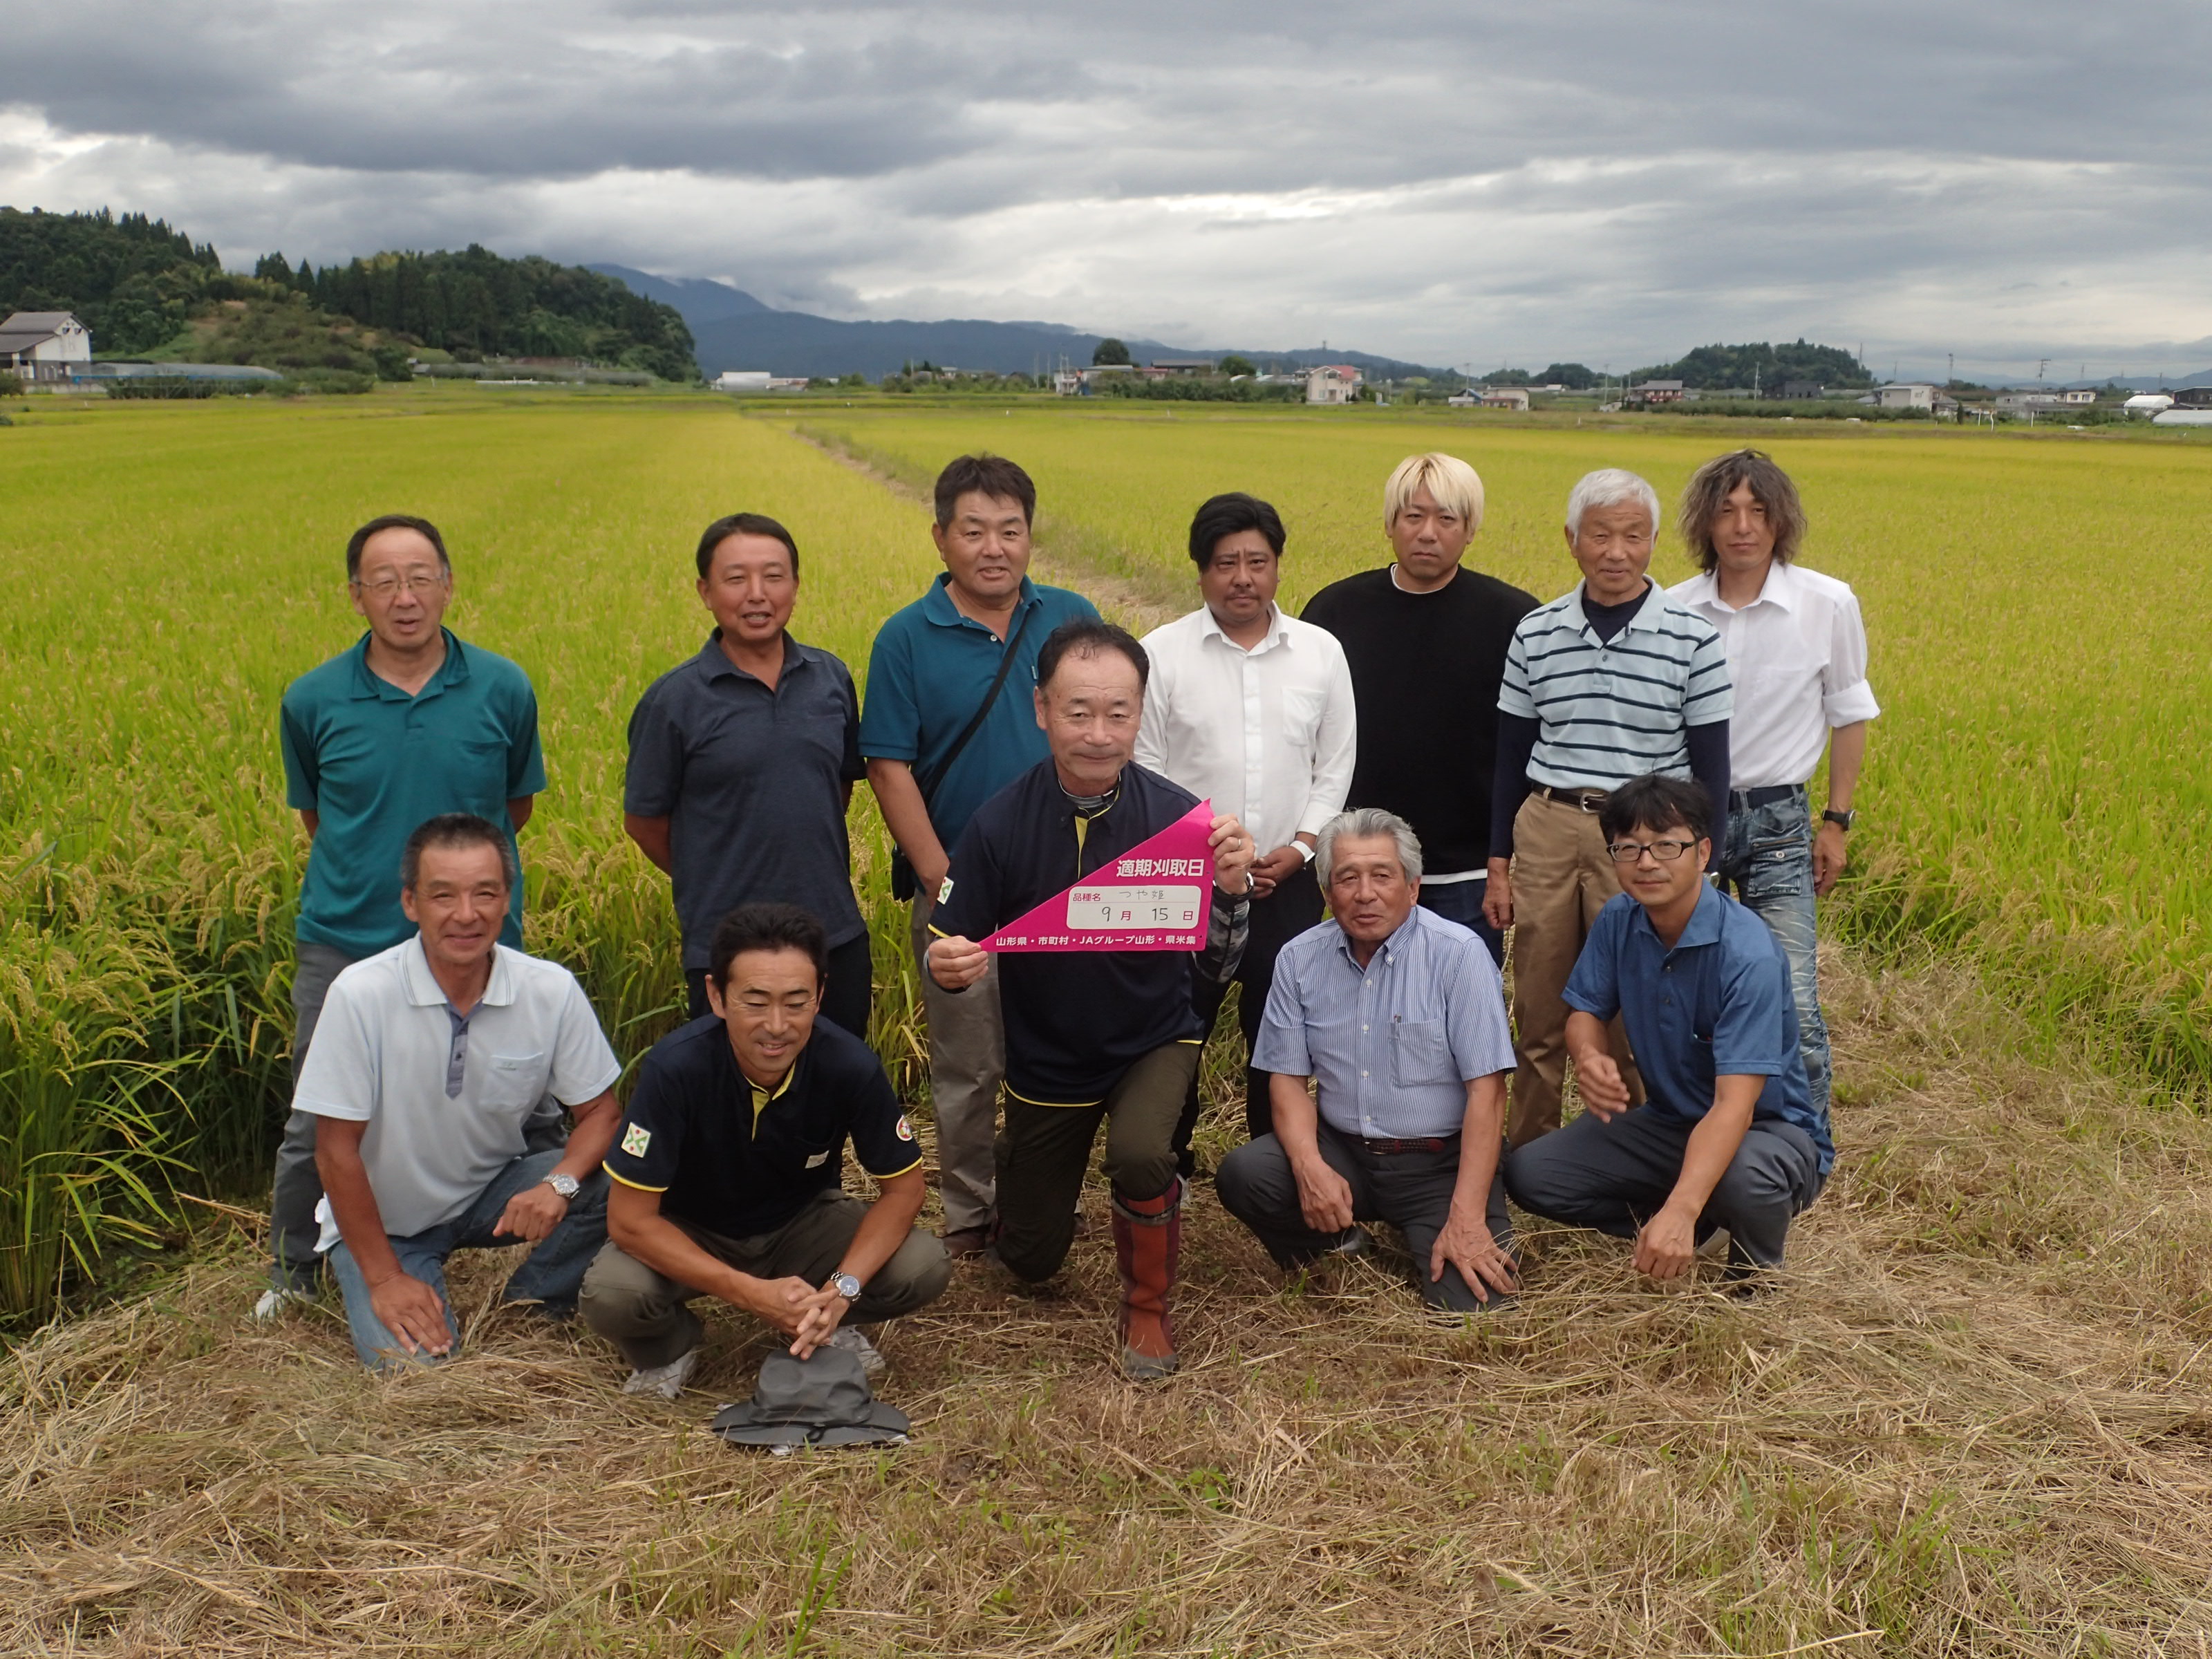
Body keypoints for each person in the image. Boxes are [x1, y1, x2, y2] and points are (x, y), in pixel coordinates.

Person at [926, 621, 1255, 1380]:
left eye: (1118, 713)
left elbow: (1219, 967)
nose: (1099, 735)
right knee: (1031, 1262)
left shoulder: (1182, 821)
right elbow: (950, 944)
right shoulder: (998, 822)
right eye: (1078, 713)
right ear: (1040, 709)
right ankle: (1029, 1197)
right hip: (1046, 1055)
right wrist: (950, 963)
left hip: (1153, 1035)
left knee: (1141, 1157)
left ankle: (1146, 1308)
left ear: (1142, 714)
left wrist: (1232, 890)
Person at [263, 514, 548, 1318]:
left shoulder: (502, 687)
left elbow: (509, 811)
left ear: (448, 584)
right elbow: (322, 818)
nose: (405, 596)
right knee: (316, 1118)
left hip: (476, 937)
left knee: (524, 1101)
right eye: (383, 581)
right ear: (357, 596)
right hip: (347, 937)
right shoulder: (314, 699)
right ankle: (292, 1272)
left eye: (421, 577)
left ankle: (544, 1261)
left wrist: (452, 900)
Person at [861, 455, 1100, 1257]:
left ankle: (1033, 1200)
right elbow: (888, 766)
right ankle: (967, 1212)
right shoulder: (904, 637)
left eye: (1010, 530)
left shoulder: (1070, 617)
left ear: (1031, 536)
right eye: (973, 531)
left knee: (1052, 1051)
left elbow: (1109, 733)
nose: (992, 547)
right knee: (966, 1064)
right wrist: (943, 880)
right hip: (961, 887)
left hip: (1064, 888)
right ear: (940, 538)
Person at [581, 904, 952, 1398]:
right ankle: (672, 1346)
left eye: (796, 1002)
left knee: (922, 1265)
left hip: (799, 1225)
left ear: (820, 996)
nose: (777, 1026)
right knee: (612, 1296)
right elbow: (629, 1221)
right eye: (755, 1002)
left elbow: (904, 1191)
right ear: (717, 995)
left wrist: (842, 1290)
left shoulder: (849, 1066)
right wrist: (750, 1293)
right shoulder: (675, 1070)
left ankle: (819, 1318)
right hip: (692, 1227)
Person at [298, 814, 623, 1371]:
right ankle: (384, 1274)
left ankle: (533, 1304)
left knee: (628, 1171)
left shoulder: (548, 990)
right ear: (410, 903)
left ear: (506, 902)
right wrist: (385, 1278)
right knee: (422, 1377)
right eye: (443, 895)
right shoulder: (362, 995)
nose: (466, 915)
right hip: (388, 1221)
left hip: (489, 1195)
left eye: (485, 894)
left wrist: (558, 1184)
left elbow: (603, 1114)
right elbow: (335, 1150)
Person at [1485, 469, 1734, 1149]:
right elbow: (1510, 754)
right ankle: (1528, 1161)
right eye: (1599, 535)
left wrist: (1700, 866)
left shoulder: (1692, 638)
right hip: (1547, 823)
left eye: (1632, 535)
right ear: (1571, 541)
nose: (1615, 552)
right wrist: (1498, 862)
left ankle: (1629, 1159)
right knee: (1537, 1008)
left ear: (1653, 541)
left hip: (1644, 838)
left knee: (1638, 1013)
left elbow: (1712, 766)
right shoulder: (1535, 633)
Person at [1503, 776, 1833, 1282]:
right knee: (1532, 1173)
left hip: (1767, 1133)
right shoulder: (1620, 919)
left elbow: (1735, 1107)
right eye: (1629, 848)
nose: (1647, 862)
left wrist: (1679, 1206)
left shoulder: (1747, 954)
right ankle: (1694, 1229)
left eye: (1665, 845)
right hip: (1670, 1124)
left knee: (1745, 1177)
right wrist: (1590, 1057)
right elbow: (1585, 1013)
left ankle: (1756, 1276)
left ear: (1703, 853)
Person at [1215, 809, 1519, 1312]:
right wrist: (1310, 1166)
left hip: (1439, 1162)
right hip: (1346, 1153)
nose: (1365, 894)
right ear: (1327, 892)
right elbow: (1286, 1080)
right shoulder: (1298, 958)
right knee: (1247, 1174)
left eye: (1382, 876)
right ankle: (1336, 1243)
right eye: (1347, 878)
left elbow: (1488, 1093)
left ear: (1413, 887)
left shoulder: (1459, 956)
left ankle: (1444, 1222)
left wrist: (1466, 1218)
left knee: (1474, 1305)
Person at [1134, 491, 1356, 1162]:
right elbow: (1144, 768)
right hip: (1185, 882)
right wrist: (1207, 859)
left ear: (1277, 566)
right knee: (1177, 1025)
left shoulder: (1319, 653)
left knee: (1280, 1027)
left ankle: (1273, 1160)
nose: (1242, 578)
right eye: (1225, 562)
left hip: (1287, 880)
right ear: (1201, 571)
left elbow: (1335, 761)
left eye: (1256, 561)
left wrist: (1300, 847)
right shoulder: (1161, 654)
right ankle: (1167, 1157)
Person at [1669, 451, 1877, 1121]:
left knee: (1791, 995)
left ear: (1779, 520)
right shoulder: (1672, 609)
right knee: (1687, 993)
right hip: (1687, 823)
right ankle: (1697, 1136)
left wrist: (1835, 821)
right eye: (1726, 510)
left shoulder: (1826, 603)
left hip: (1779, 826)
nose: (1741, 526)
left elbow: (1848, 714)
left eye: (1757, 511)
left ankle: (1804, 1149)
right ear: (1703, 521)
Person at [626, 513, 870, 1039]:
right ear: (705, 592)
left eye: (774, 576)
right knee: (737, 1105)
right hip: (726, 943)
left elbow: (838, 788)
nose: (757, 594)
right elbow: (644, 822)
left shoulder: (830, 679)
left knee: (834, 1089)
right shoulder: (674, 702)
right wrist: (713, 867)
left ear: (796, 587)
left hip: (834, 933)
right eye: (736, 579)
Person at [1302, 453, 1538, 964]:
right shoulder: (1334, 612)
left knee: (1459, 1016)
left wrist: (1504, 864)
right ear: (1390, 524)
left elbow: (1526, 749)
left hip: (1468, 872)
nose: (1428, 533)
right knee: (1358, 1012)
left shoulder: (1514, 620)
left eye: (1447, 519)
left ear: (1470, 529)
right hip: (1361, 865)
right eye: (1413, 516)